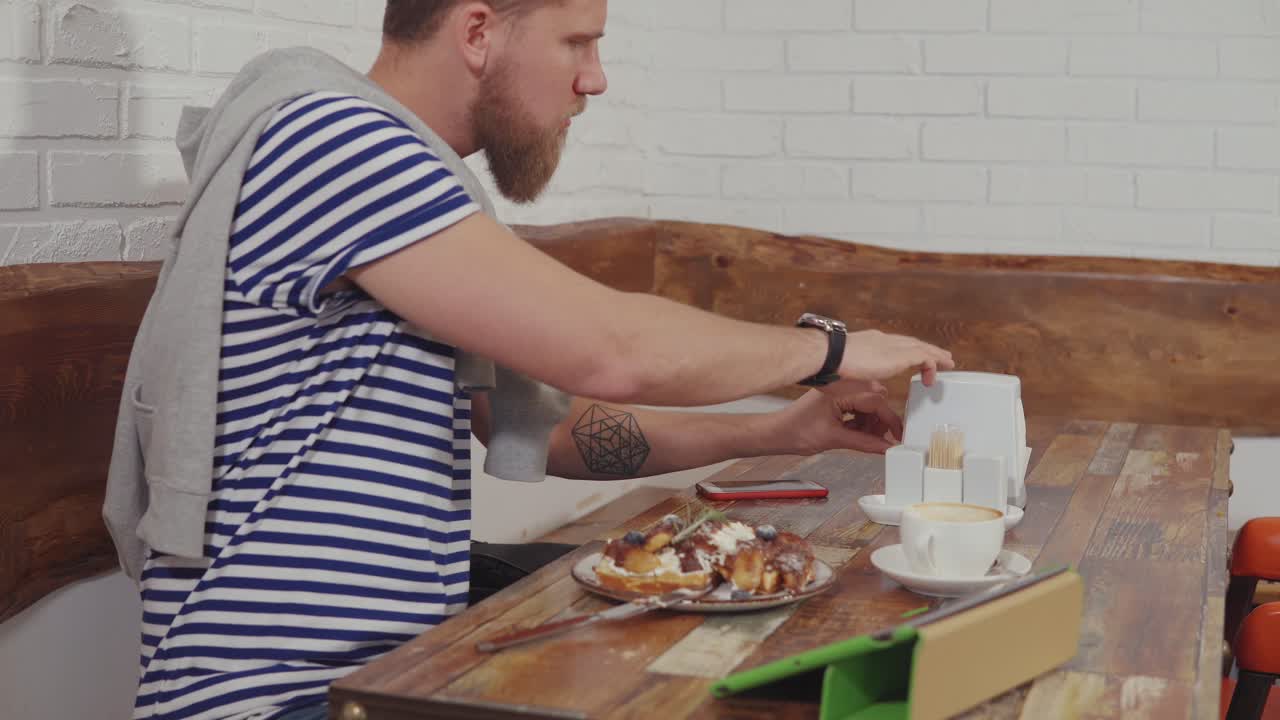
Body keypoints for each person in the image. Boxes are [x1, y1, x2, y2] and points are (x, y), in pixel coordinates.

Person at [103, 1, 955, 718]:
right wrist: (829, 349)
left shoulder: (412, 189)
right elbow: (612, 350)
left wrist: (780, 430)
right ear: (478, 32)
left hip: (395, 670)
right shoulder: (337, 141)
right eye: (577, 41)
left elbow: (557, 437)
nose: (596, 78)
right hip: (273, 697)